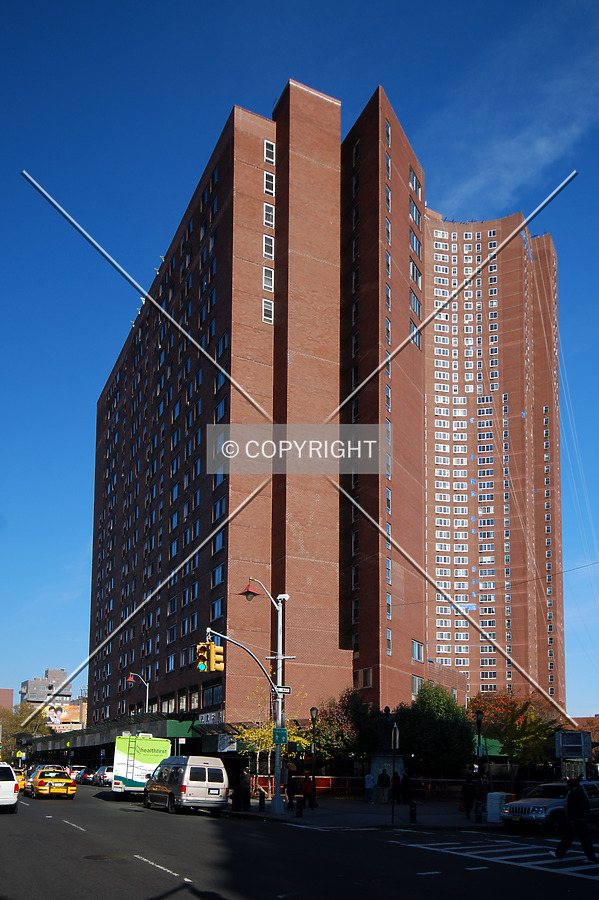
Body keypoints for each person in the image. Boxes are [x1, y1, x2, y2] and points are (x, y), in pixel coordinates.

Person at [553, 777, 596, 862]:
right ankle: (591, 857)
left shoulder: (572, 794)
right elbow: (586, 806)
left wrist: (571, 819)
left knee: (569, 838)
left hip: (576, 820)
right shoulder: (581, 793)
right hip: (582, 819)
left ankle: (559, 853)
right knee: (584, 839)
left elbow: (572, 808)